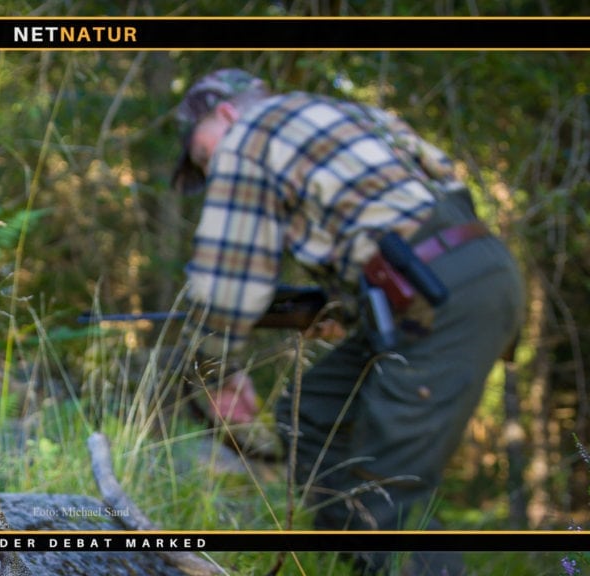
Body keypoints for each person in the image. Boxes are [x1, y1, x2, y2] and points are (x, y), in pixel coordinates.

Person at [172, 69, 524, 575]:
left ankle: (385, 553)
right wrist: (355, 302)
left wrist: (216, 372)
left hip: (439, 294)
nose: (209, 171)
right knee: (313, 407)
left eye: (202, 155)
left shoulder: (248, 135)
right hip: (470, 270)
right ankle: (355, 559)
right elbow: (435, 188)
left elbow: (227, 273)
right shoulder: (351, 115)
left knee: (388, 484)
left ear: (225, 114)